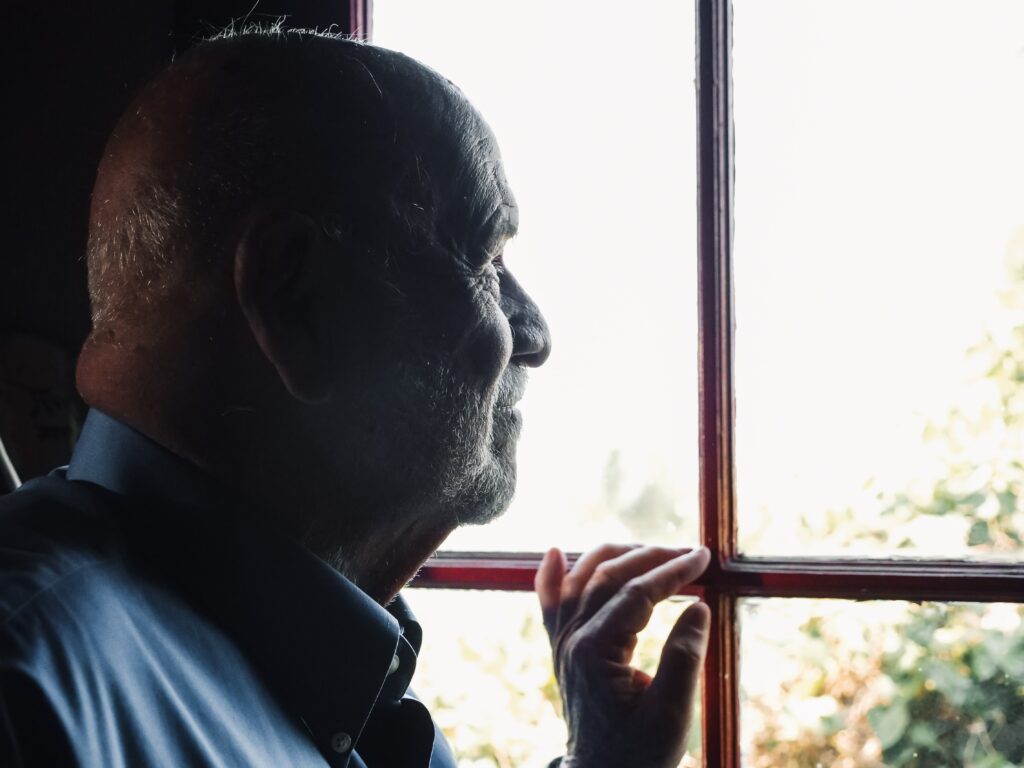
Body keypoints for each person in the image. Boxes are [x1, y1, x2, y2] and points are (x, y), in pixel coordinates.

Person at [0, 29, 711, 768]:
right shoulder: (29, 695)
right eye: (487, 260)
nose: (535, 334)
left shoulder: (314, 667)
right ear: (294, 299)